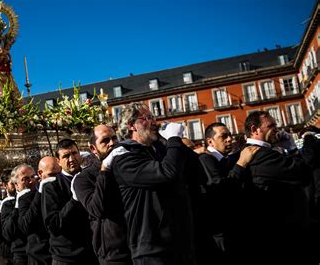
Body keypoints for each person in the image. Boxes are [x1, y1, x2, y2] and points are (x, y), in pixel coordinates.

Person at [104, 102, 195, 264]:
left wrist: (173, 142)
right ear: (132, 125)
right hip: (152, 250)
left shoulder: (159, 149)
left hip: (179, 243)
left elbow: (196, 171)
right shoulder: (124, 157)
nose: (155, 122)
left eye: (154, 117)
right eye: (147, 118)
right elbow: (168, 173)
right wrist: (174, 139)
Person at [239, 111, 312, 265]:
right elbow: (303, 172)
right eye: (271, 126)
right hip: (283, 231)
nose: (277, 129)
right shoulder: (260, 154)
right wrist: (292, 148)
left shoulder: (265, 151)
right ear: (255, 129)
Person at [197, 122, 259, 264]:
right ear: (210, 141)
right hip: (221, 235)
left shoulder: (225, 160)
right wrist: (241, 164)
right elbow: (222, 190)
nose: (230, 139)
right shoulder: (205, 159)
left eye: (230, 135)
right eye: (223, 136)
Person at [71, 124, 132, 264]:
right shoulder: (83, 179)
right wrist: (105, 171)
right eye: (105, 140)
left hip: (141, 245)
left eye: (114, 138)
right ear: (93, 149)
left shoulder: (128, 166)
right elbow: (96, 209)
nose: (112, 143)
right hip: (114, 254)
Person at [41, 139, 97, 264]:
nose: (72, 159)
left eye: (74, 153)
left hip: (94, 253)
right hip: (67, 257)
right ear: (58, 161)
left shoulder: (92, 178)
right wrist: (74, 200)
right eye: (66, 156)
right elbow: (53, 225)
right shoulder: (51, 187)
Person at [17, 157, 59, 265]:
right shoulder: (27, 197)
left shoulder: (63, 187)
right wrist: (40, 193)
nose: (55, 179)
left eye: (58, 174)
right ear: (40, 173)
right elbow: (25, 225)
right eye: (52, 175)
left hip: (62, 253)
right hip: (40, 256)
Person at [2, 164, 38, 265]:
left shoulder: (41, 195)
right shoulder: (9, 204)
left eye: (33, 177)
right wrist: (17, 206)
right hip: (22, 255)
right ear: (16, 185)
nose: (31, 181)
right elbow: (7, 233)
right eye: (25, 179)